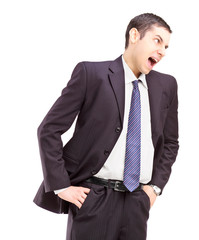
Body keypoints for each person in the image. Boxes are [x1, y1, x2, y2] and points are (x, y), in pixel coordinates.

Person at [34, 13, 179, 240]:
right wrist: (62, 186)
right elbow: (49, 130)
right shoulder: (91, 74)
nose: (162, 51)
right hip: (93, 198)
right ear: (134, 35)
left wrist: (155, 187)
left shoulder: (166, 85)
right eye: (157, 40)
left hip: (137, 201)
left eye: (167, 46)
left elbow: (170, 142)